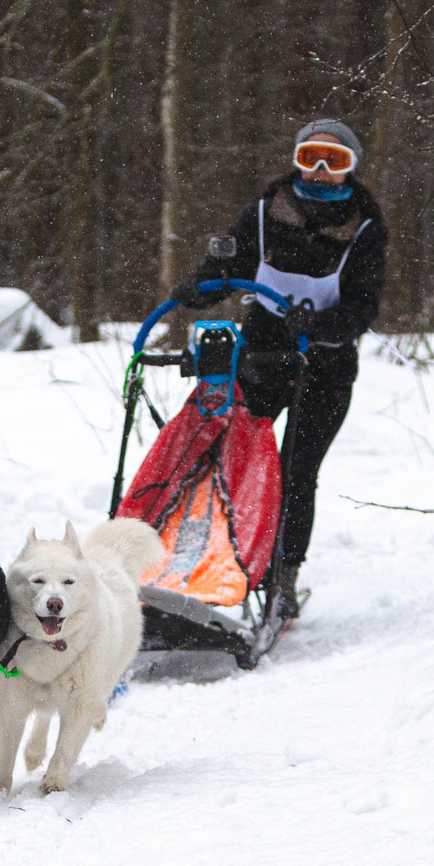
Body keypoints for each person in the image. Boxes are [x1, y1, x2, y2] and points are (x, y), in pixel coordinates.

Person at [174, 117, 388, 619]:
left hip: (326, 366)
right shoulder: (266, 213)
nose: (319, 170)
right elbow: (230, 266)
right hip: (264, 354)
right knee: (239, 463)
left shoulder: (366, 228)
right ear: (295, 159)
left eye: (334, 161)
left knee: (296, 472)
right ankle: (220, 561)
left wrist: (321, 323)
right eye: (310, 156)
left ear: (350, 170)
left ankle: (282, 578)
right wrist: (200, 287)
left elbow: (363, 306)